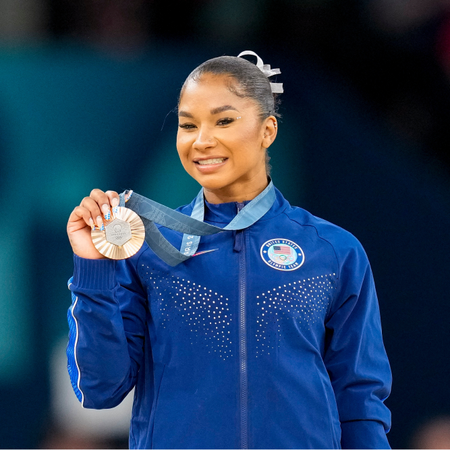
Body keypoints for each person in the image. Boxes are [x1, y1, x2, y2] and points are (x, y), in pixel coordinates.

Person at [66, 51, 392, 449]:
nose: (202, 141)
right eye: (188, 125)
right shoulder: (149, 249)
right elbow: (99, 388)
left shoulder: (333, 251)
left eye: (224, 121)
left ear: (267, 130)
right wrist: (92, 265)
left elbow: (359, 399)